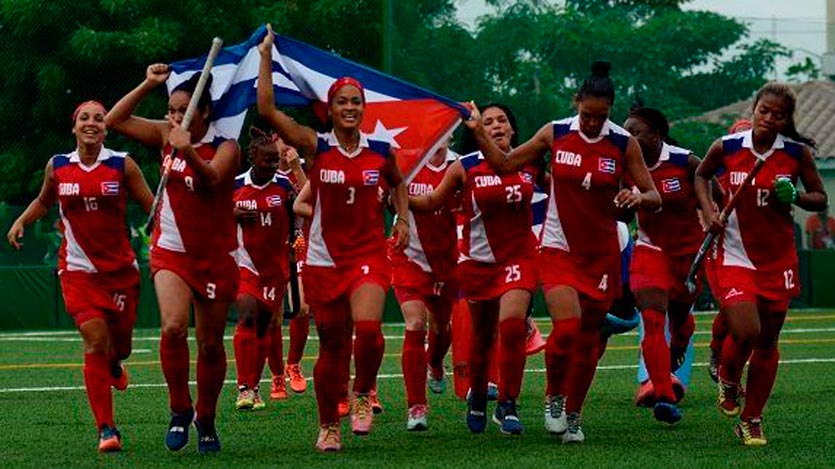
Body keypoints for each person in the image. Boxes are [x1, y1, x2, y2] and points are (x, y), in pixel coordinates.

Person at [467, 62, 661, 443]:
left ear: (610, 111)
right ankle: (553, 397)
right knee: (568, 328)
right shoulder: (554, 133)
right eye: (587, 115)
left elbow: (653, 195)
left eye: (600, 117)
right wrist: (478, 132)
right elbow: (505, 163)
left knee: (589, 338)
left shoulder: (624, 143)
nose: (591, 123)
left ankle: (574, 413)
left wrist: (637, 196)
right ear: (577, 103)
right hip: (557, 247)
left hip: (600, 253)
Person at [257, 25, 409, 452]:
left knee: (370, 328)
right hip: (324, 260)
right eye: (341, 101)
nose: (349, 107)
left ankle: (363, 392)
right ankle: (328, 424)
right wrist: (267, 55)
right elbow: (267, 109)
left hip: (368, 254)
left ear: (364, 108)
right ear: (331, 107)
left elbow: (398, 183)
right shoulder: (315, 145)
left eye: (355, 102)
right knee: (332, 346)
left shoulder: (380, 151)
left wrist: (403, 219)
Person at [106, 66, 241, 453]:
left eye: (184, 111)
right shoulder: (166, 134)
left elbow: (211, 180)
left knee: (212, 345)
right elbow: (116, 120)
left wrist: (187, 150)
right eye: (172, 110)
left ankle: (207, 419)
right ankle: (180, 409)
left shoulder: (226, 147)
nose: (176, 117)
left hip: (215, 256)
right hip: (172, 250)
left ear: (204, 113)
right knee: (173, 327)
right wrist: (148, 83)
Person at [7, 101, 153, 452]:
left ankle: (115, 365)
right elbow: (44, 202)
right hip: (76, 271)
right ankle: (106, 429)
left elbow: (152, 204)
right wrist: (21, 221)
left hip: (120, 272)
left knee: (121, 348)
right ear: (74, 127)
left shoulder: (123, 164)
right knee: (94, 341)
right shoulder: (58, 166)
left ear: (106, 128)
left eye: (99, 118)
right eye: (84, 118)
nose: (92, 123)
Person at [694, 82, 828, 446]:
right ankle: (728, 373)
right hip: (735, 252)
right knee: (746, 329)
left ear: (787, 120)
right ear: (753, 109)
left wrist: (796, 196)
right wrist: (709, 212)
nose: (769, 119)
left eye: (778, 115)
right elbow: (701, 175)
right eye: (764, 111)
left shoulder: (796, 155)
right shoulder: (727, 146)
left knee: (767, 342)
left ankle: (751, 419)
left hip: (778, 257)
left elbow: (820, 197)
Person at [411, 103, 538, 436]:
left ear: (513, 129)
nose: (496, 125)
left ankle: (508, 404)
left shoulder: (529, 162)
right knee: (482, 339)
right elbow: (430, 203)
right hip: (478, 263)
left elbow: (564, 193)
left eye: (502, 120)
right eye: (489, 121)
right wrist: (394, 197)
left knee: (511, 326)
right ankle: (478, 397)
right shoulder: (464, 167)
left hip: (518, 258)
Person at [622, 106, 703, 424]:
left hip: (689, 256)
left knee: (680, 320)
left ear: (656, 134)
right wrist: (621, 205)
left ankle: (683, 336)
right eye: (625, 131)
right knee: (653, 319)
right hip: (650, 249)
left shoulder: (686, 161)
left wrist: (712, 215)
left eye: (635, 132)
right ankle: (664, 397)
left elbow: (718, 196)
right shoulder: (625, 166)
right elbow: (620, 213)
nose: (628, 137)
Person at [391, 139, 458, 431]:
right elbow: (389, 190)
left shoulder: (460, 166)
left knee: (442, 328)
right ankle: (416, 406)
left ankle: (435, 363)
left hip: (447, 263)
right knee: (416, 324)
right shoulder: (407, 166)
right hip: (408, 257)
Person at [231, 127, 296, 411]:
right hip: (243, 263)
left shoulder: (284, 186)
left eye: (275, 160)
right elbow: (211, 214)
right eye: (267, 160)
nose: (272, 166)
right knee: (246, 316)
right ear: (252, 158)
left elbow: (303, 209)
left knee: (264, 328)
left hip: (276, 268)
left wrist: (297, 240)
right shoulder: (233, 186)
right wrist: (228, 213)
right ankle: (243, 387)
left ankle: (255, 386)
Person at [273, 138, 310, 398]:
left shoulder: (304, 168)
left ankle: (293, 364)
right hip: (269, 247)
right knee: (271, 315)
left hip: (299, 244)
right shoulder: (263, 170)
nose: (285, 144)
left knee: (302, 308)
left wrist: (296, 168)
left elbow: (313, 199)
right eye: (279, 139)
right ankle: (275, 376)